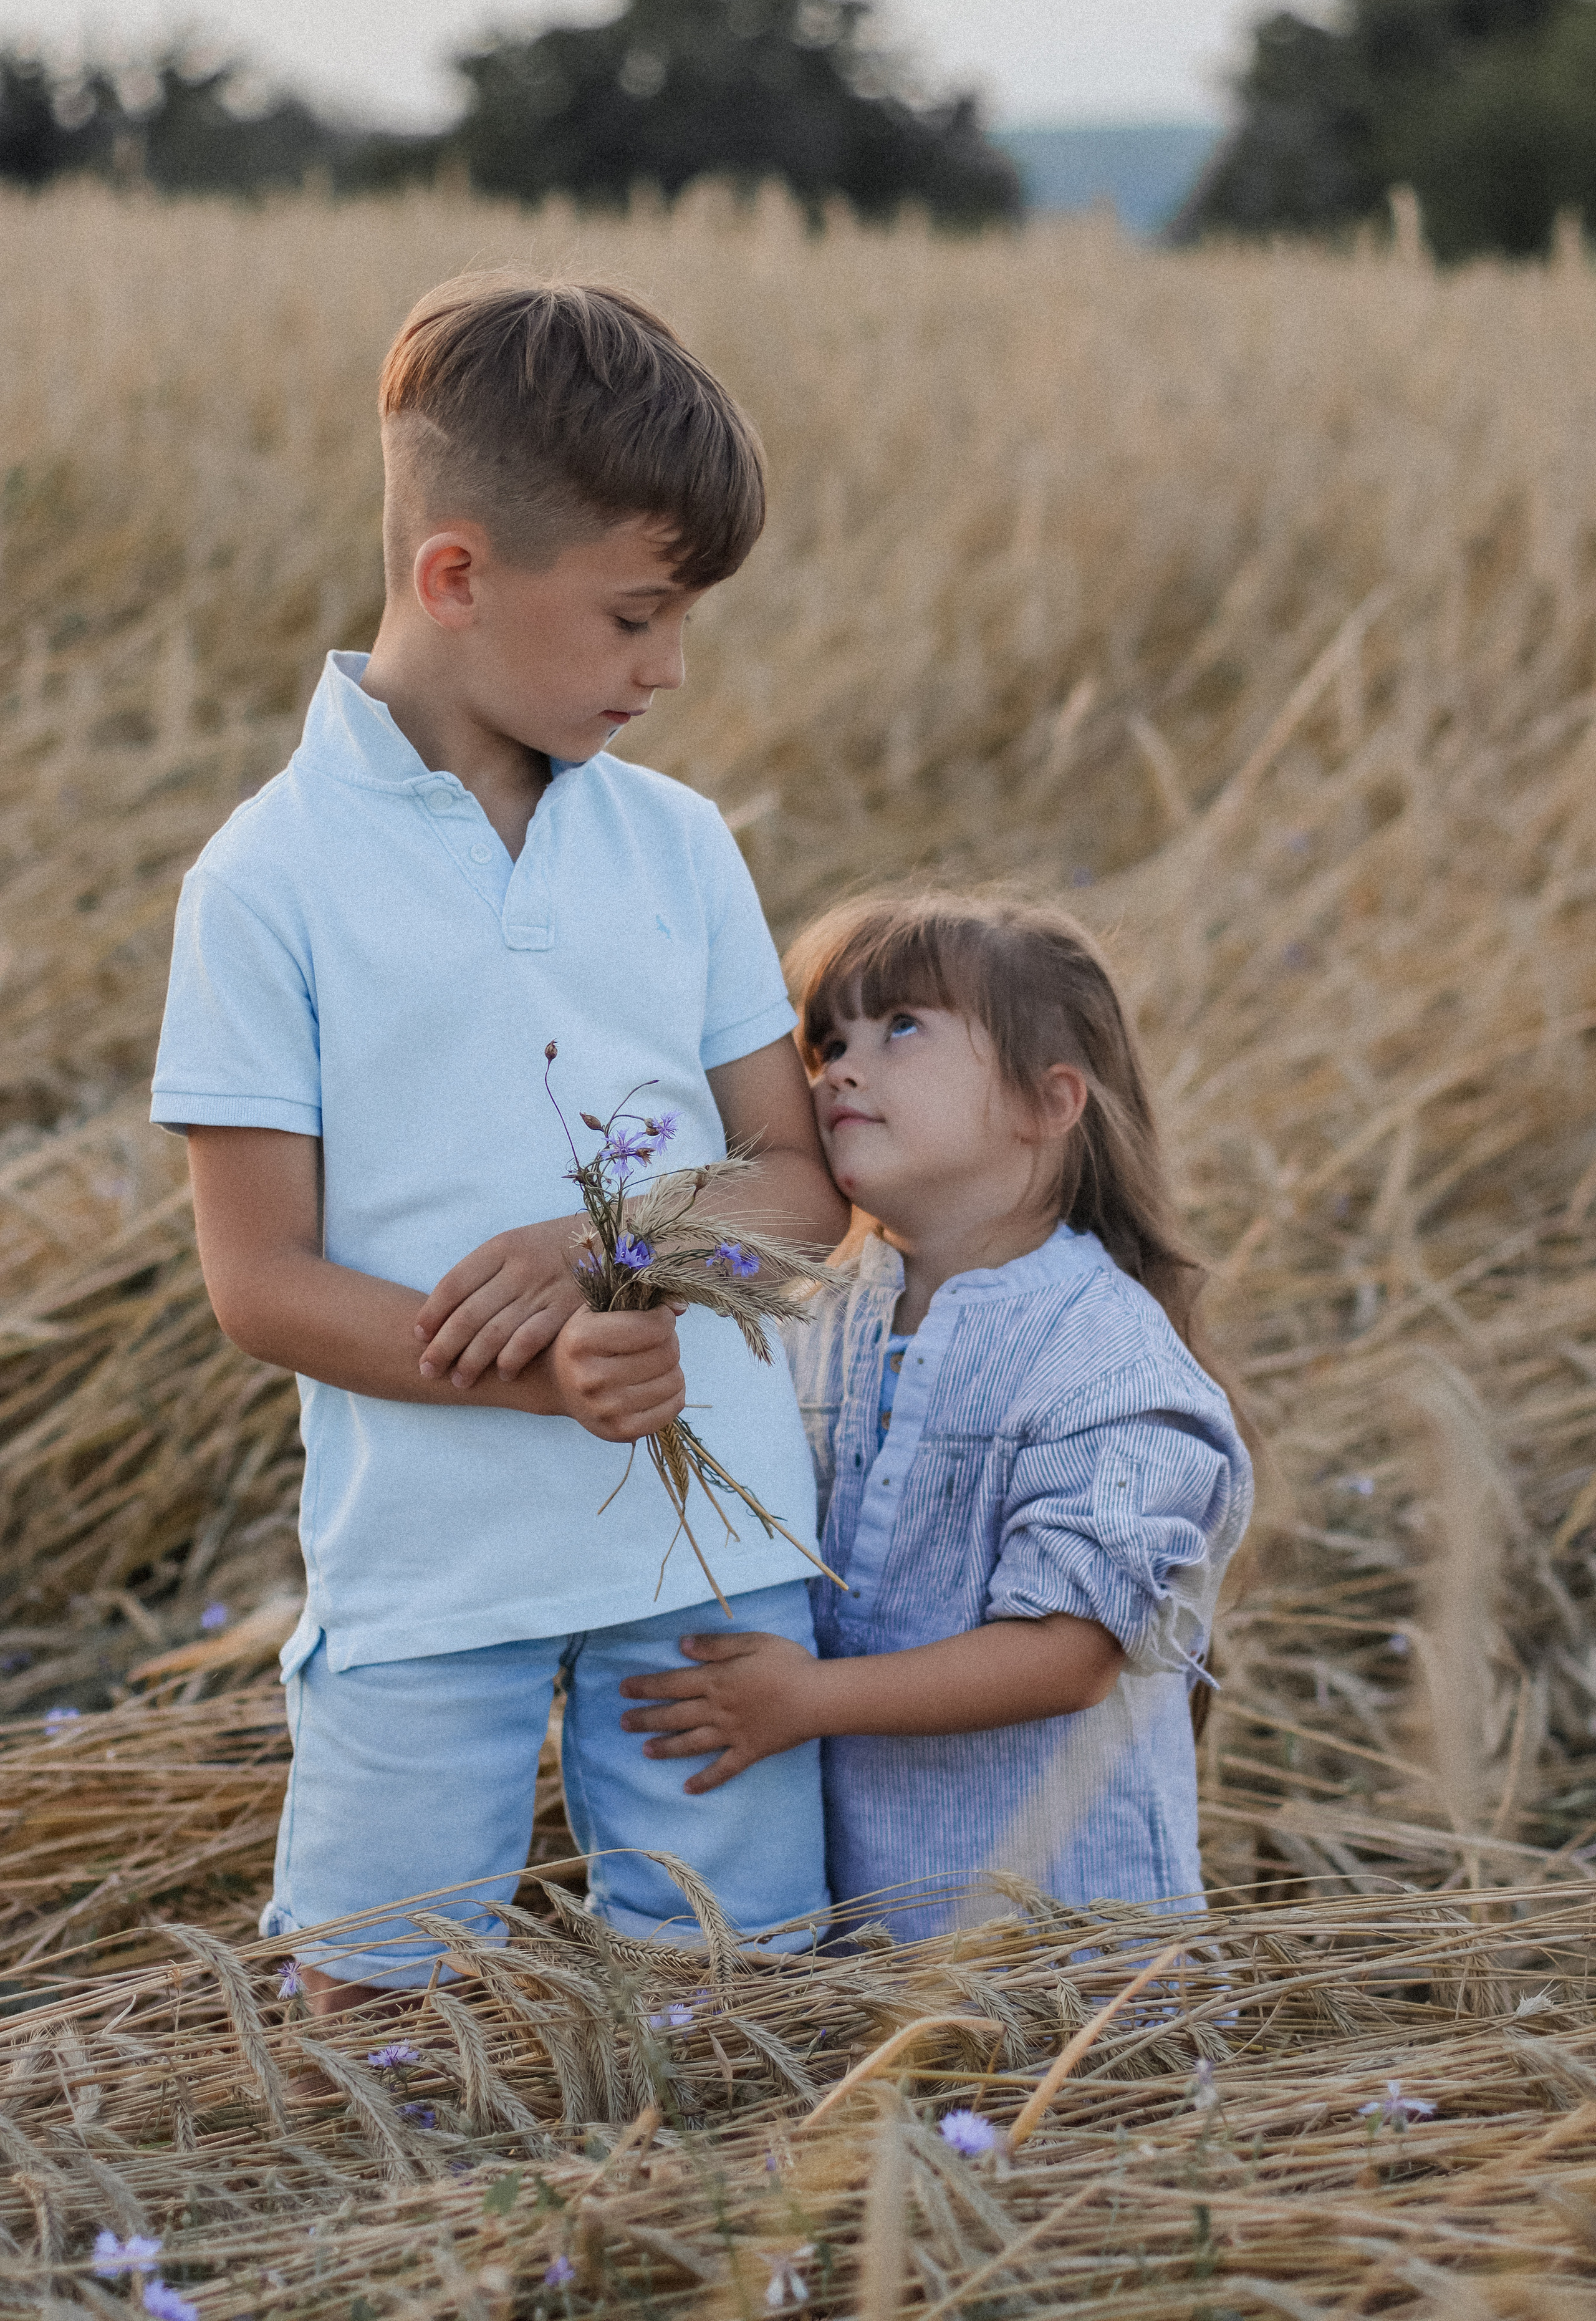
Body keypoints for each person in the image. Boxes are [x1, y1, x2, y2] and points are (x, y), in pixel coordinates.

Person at [150, 276, 848, 2006]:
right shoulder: (267, 882)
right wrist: (537, 1378)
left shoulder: (679, 849)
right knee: (365, 2008)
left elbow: (801, 1181)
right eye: (633, 618)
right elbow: (260, 1283)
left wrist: (614, 1248)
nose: (667, 670)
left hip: (712, 1542)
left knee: (734, 1988)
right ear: (454, 577)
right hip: (427, 1555)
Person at [618, 890, 1252, 1942]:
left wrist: (806, 1700)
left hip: (1066, 1961)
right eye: (826, 1043)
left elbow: (1067, 1653)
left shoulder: (1104, 1355)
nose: (837, 1072)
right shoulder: (819, 1311)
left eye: (900, 1027)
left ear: (1048, 1104)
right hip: (870, 1946)